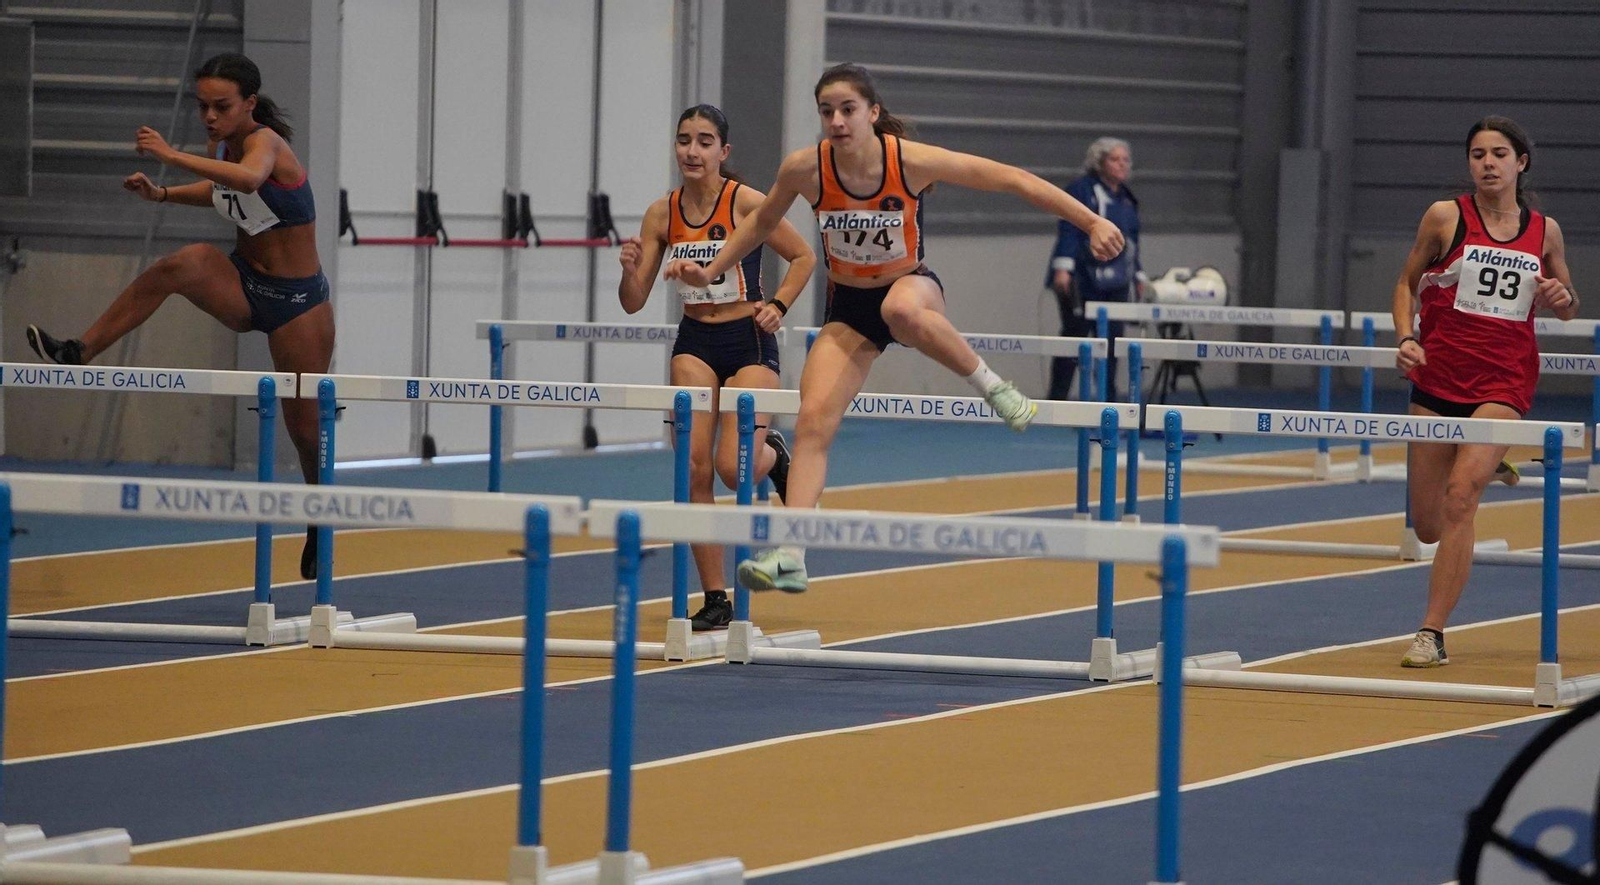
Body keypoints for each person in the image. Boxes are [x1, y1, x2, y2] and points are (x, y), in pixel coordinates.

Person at [666, 62, 1124, 594]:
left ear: (873, 114)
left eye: (848, 110)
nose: (836, 121)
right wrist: (712, 269)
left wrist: (1091, 222)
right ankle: (791, 554)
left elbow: (1012, 179)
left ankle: (995, 388)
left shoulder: (908, 161)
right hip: (848, 308)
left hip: (910, 286)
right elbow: (762, 224)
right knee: (812, 424)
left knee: (901, 313)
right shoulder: (804, 169)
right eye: (826, 111)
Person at [25, 53, 335, 580]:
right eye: (203, 107)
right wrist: (164, 193)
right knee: (179, 265)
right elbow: (220, 191)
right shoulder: (224, 147)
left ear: (249, 104)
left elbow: (245, 181)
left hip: (298, 305)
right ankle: (80, 350)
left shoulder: (265, 145)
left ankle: (319, 520)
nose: (210, 117)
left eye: (222, 107)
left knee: (304, 431)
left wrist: (171, 156)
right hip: (245, 282)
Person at [619, 104, 816, 630]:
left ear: (723, 152)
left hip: (747, 338)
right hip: (695, 340)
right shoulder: (662, 213)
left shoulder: (747, 202)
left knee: (734, 468)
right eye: (684, 140)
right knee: (694, 470)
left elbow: (803, 256)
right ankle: (715, 597)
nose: (692, 150)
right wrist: (630, 270)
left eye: (705, 141)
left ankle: (771, 458)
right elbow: (634, 301)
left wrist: (778, 305)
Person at [1393, 116, 1579, 667]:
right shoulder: (1446, 217)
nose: (1488, 164)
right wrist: (1406, 337)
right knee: (1427, 525)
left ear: (1521, 163)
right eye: (1478, 155)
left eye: (1499, 154)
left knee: (1460, 498)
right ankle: (1488, 465)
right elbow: (1406, 283)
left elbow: (1570, 305)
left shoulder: (1544, 231)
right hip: (1439, 378)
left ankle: (1432, 633)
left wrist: (1559, 295)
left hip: (1504, 381)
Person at [1046, 137, 1140, 401]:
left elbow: (1131, 240)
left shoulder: (1127, 198)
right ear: (1099, 162)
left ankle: (1108, 403)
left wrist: (1138, 275)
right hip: (1082, 279)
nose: (1121, 165)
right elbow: (1069, 229)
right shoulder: (1081, 189)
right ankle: (1056, 400)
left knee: (1112, 344)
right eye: (1114, 159)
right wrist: (1063, 268)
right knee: (1075, 339)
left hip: (1116, 284)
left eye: (1125, 160)